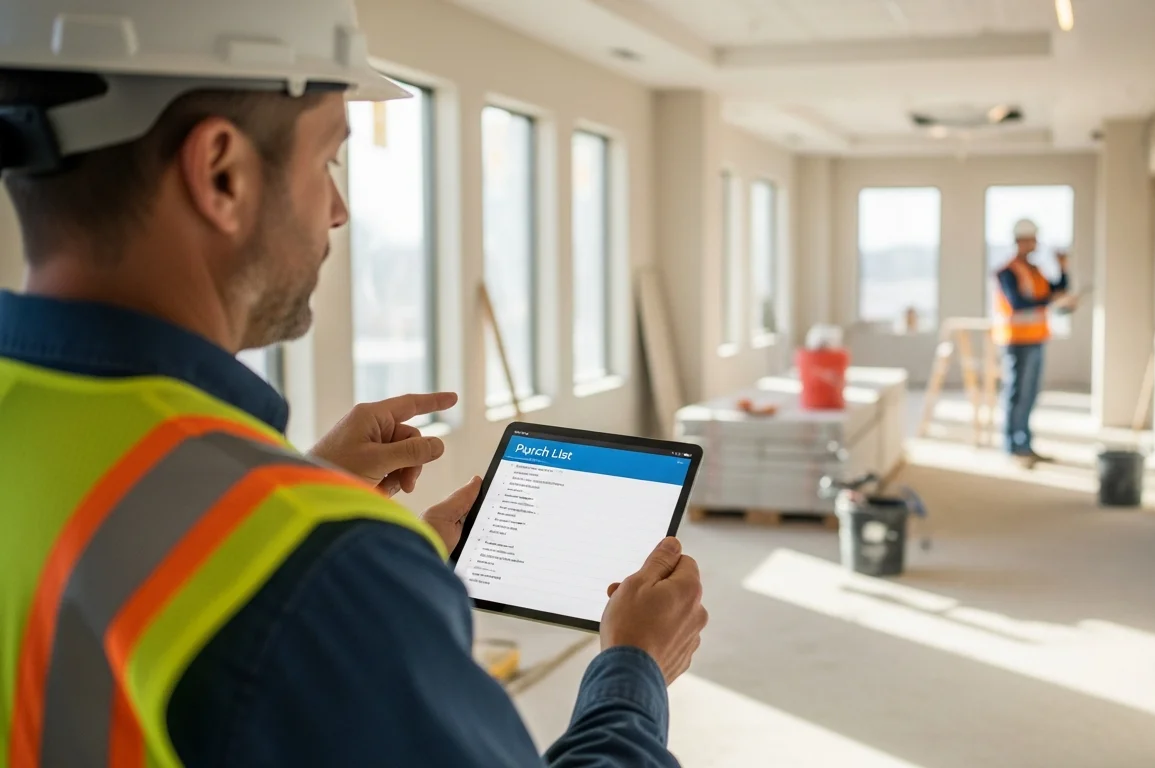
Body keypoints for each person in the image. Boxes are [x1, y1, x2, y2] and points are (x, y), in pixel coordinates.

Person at [0, 2, 706, 766]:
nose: (338, 211)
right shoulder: (323, 569)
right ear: (221, 173)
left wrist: (302, 497)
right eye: (328, 161)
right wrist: (633, 666)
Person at [992, 218, 1073, 467]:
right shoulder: (1007, 271)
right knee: (1017, 393)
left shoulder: (1035, 270)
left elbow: (1055, 290)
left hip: (1036, 338)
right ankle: (1013, 447)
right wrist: (1051, 302)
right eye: (1032, 240)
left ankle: (1025, 444)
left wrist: (1062, 269)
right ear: (1020, 241)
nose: (1035, 244)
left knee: (1030, 395)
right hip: (1017, 341)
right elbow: (1018, 303)